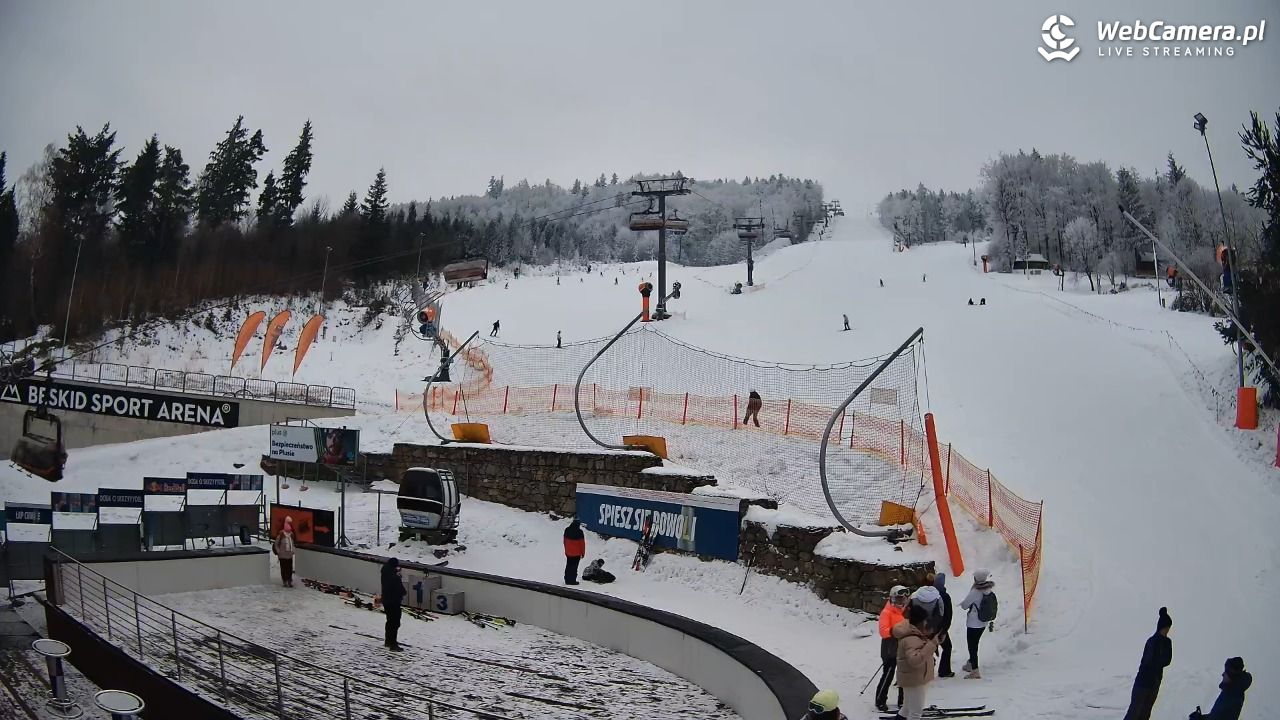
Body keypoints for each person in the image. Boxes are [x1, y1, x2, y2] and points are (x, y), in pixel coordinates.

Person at [1123, 607, 1173, 720]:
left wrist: (1159, 662)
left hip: (1155, 683)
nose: (1168, 630)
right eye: (1166, 628)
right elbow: (1148, 661)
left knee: (1146, 712)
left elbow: (1167, 660)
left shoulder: (1167, 642)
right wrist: (1159, 662)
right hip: (1143, 682)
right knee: (1135, 712)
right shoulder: (1153, 641)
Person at [894, 602, 940, 720]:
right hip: (914, 680)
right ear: (920, 622)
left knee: (907, 708)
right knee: (915, 712)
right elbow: (914, 660)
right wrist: (932, 644)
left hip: (913, 678)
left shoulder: (914, 633)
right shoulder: (911, 639)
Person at [875, 585, 910, 712]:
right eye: (899, 599)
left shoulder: (904, 611)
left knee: (903, 675)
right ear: (893, 598)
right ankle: (880, 700)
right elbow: (883, 631)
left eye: (904, 599)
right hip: (890, 647)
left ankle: (903, 701)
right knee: (888, 674)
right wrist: (897, 632)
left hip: (903, 647)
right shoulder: (887, 612)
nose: (902, 602)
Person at [958, 569, 996, 679]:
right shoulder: (988, 590)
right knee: (975, 643)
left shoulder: (975, 591)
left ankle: (975, 670)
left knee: (972, 646)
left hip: (973, 623)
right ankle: (971, 662)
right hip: (983, 622)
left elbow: (965, 605)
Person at [928, 572, 954, 677]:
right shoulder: (945, 596)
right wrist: (943, 631)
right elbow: (948, 616)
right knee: (947, 647)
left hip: (928, 627)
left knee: (928, 649)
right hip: (940, 628)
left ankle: (926, 671)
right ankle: (944, 671)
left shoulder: (929, 593)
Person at [380, 557, 407, 651]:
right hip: (394, 602)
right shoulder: (394, 577)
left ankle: (388, 641)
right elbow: (401, 590)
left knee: (389, 621)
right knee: (395, 623)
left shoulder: (385, 573)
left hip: (386, 601)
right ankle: (393, 644)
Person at [273, 516, 296, 588]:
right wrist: (279, 552)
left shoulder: (292, 534)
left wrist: (293, 551)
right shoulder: (281, 534)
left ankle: (289, 580)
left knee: (289, 568)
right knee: (284, 568)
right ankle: (285, 581)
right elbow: (276, 544)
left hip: (289, 554)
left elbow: (293, 543)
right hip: (282, 555)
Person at [563, 519, 586, 585]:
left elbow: (565, 541)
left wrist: (566, 550)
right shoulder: (579, 532)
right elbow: (582, 544)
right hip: (576, 554)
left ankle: (567, 579)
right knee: (574, 567)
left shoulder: (567, 530)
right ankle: (572, 580)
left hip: (568, 553)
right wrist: (583, 553)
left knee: (568, 566)